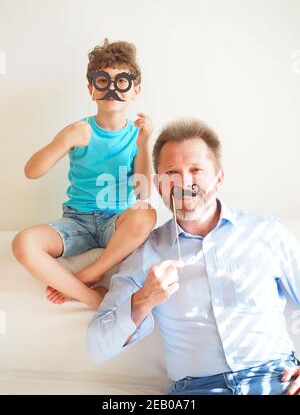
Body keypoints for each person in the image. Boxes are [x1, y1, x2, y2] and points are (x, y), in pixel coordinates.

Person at [86, 118, 300, 395]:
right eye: (172, 172)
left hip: (277, 381)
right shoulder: (145, 252)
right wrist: (143, 300)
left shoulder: (266, 232)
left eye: (196, 170)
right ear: (159, 184)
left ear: (219, 177)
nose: (184, 182)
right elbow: (96, 346)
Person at [12, 39, 156, 310]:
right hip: (76, 222)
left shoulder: (137, 136)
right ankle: (92, 296)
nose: (112, 89)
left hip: (116, 222)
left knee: (146, 212)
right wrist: (63, 141)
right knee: (23, 243)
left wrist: (145, 143)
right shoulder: (78, 131)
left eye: (121, 82)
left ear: (135, 91)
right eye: (103, 81)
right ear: (92, 89)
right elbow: (32, 171)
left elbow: (144, 192)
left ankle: (88, 275)